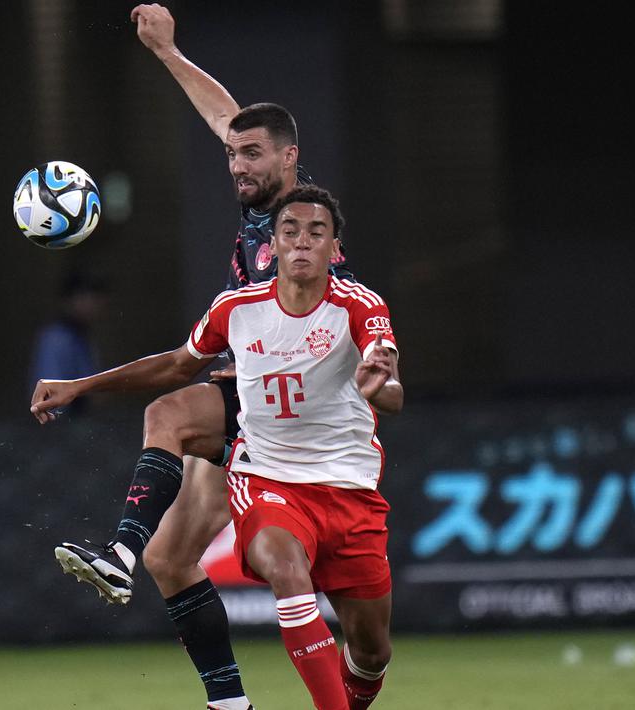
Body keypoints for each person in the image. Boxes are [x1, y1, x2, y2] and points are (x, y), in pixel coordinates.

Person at [52, 5, 349, 709]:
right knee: (172, 558)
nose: (236, 163)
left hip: (292, 412)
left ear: (289, 159)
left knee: (169, 409)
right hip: (253, 407)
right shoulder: (258, 207)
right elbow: (229, 118)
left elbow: (320, 317)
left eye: (252, 155)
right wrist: (167, 51)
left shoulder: (299, 225)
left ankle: (116, 554)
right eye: (230, 154)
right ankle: (229, 705)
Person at [33, 184, 401, 710]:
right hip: (270, 481)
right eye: (290, 232)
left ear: (334, 250)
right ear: (270, 248)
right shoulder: (236, 308)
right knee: (284, 569)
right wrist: (81, 385)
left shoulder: (359, 306)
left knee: (371, 653)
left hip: (349, 488)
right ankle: (126, 555)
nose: (302, 242)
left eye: (316, 233)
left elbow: (393, 390)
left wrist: (379, 386)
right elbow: (174, 366)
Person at [28, 270, 108, 413]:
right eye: (86, 297)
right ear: (70, 300)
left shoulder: (83, 336)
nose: (94, 304)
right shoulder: (56, 338)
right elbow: (48, 395)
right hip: (62, 424)